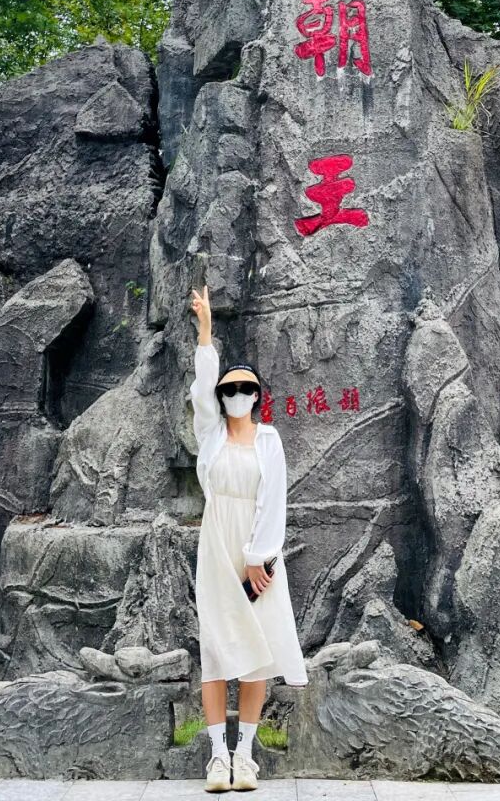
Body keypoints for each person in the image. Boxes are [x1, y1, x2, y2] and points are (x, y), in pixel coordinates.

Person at [189, 283, 308, 793]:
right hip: (216, 545)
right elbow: (201, 386)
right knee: (216, 649)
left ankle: (245, 755)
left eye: (245, 388)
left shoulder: (269, 440)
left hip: (258, 552)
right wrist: (206, 333)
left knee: (257, 649)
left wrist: (260, 557)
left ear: (258, 395)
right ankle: (217, 756)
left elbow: (274, 498)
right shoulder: (210, 435)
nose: (236, 395)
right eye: (229, 389)